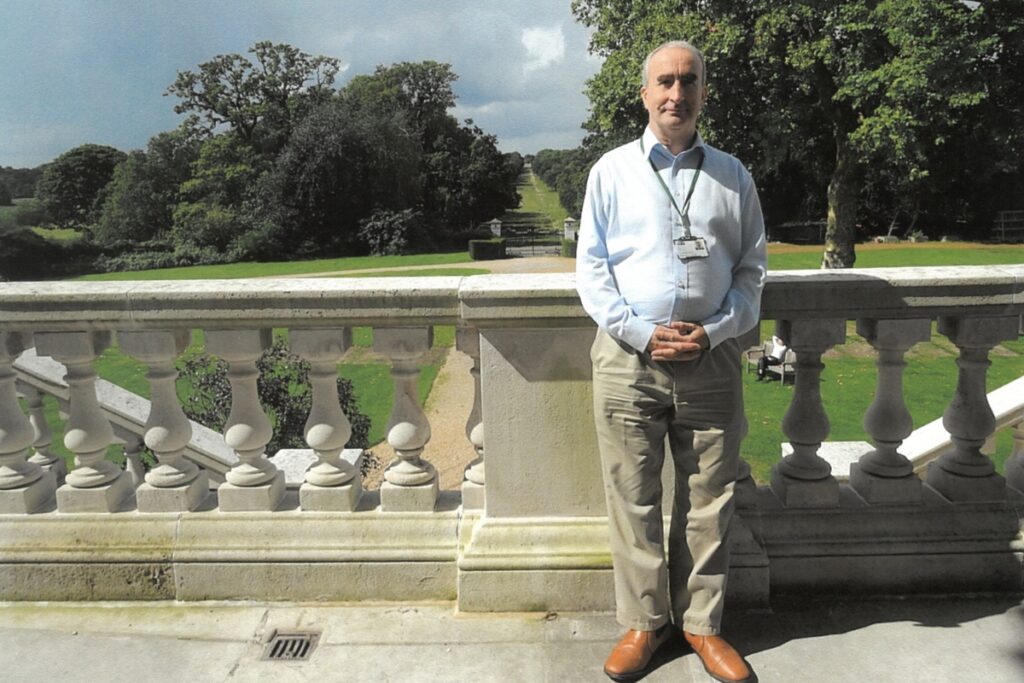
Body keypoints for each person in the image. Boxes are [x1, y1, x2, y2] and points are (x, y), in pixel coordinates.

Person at [575, 39, 766, 683]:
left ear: (703, 92)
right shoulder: (610, 171)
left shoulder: (733, 176)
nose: (675, 93)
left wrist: (714, 332)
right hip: (630, 359)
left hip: (711, 358)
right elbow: (592, 273)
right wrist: (639, 331)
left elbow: (750, 272)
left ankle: (703, 626)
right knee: (631, 495)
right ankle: (644, 622)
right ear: (645, 93)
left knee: (711, 498)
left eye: (687, 81)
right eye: (664, 82)